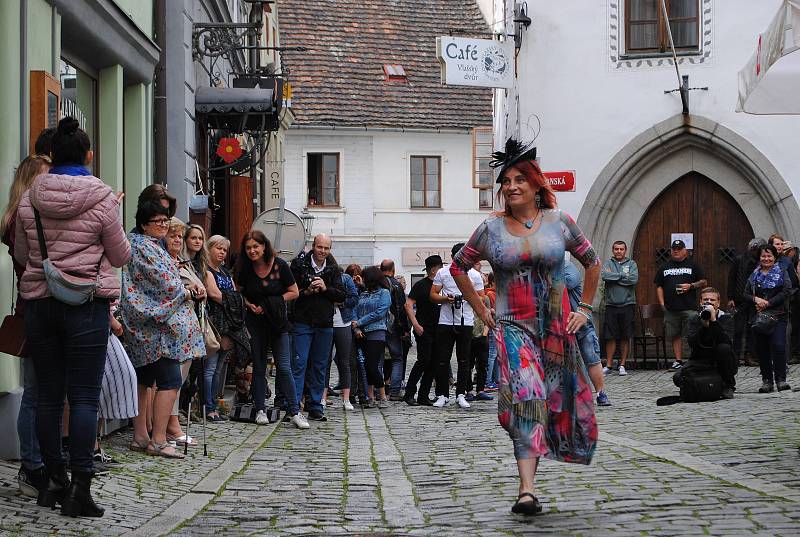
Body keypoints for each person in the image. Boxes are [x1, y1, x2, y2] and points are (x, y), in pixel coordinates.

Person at [450, 137, 600, 516]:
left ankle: (529, 473)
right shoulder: (490, 229)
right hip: (513, 328)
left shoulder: (560, 222)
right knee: (527, 398)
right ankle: (527, 490)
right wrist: (479, 306)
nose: (512, 186)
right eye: (506, 181)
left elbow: (592, 261)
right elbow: (458, 267)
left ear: (536, 184)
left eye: (520, 179)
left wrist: (584, 307)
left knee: (550, 401)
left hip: (555, 328)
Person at [14, 117, 131, 517]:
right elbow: (120, 256)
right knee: (83, 398)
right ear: (89, 156)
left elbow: (21, 253)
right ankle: (80, 488)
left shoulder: (30, 197)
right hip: (87, 305)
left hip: (41, 304)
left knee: (48, 397)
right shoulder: (101, 200)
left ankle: (51, 483)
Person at [121, 199, 205, 461]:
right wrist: (187, 291)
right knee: (169, 381)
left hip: (149, 325)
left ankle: (141, 436)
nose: (163, 225)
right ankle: (157, 440)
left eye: (166, 220)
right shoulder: (144, 246)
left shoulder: (144, 244)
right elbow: (165, 284)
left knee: (145, 379)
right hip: (159, 328)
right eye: (159, 221)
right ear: (144, 224)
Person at [1, 153, 51, 497]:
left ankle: (37, 463)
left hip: (32, 304)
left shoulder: (19, 215)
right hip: (34, 306)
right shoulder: (22, 217)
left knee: (40, 391)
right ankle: (31, 465)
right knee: (35, 392)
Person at [234, 230, 307, 428]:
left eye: (255, 247)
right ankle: (260, 410)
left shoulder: (280, 266)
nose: (252, 251)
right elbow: (238, 292)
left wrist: (272, 303)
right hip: (255, 323)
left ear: (264, 246)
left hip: (277, 322)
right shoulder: (245, 268)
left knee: (284, 367)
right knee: (259, 367)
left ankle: (294, 411)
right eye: (248, 248)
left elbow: (294, 292)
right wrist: (249, 304)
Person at [289, 234, 346, 422]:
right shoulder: (299, 265)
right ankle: (294, 406)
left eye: (326, 248)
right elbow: (291, 291)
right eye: (320, 247)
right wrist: (307, 290)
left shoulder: (333, 269)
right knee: (299, 364)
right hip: (303, 321)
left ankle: (315, 405)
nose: (323, 251)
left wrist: (325, 288)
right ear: (313, 246)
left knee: (320, 366)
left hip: (324, 324)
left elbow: (341, 295)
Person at [429, 243, 485, 409]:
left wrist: (467, 297)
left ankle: (461, 393)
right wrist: (447, 299)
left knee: (464, 359)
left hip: (465, 320)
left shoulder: (474, 275)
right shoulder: (443, 272)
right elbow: (433, 294)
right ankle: (442, 394)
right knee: (442, 359)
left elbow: (482, 297)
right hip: (446, 320)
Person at [205, 234, 250, 418]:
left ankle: (214, 404)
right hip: (215, 324)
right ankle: (208, 405)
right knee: (210, 366)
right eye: (219, 248)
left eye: (225, 250)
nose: (222, 253)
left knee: (220, 367)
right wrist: (233, 299)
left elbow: (232, 294)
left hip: (228, 325)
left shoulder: (223, 272)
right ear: (210, 248)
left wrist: (232, 299)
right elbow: (216, 295)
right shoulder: (207, 271)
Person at [743, 244, 792, 393]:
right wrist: (756, 300)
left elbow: (787, 291)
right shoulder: (754, 275)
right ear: (759, 258)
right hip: (760, 318)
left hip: (778, 315)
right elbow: (745, 294)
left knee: (778, 346)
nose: (766, 258)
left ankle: (781, 379)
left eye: (769, 255)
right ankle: (767, 381)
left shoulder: (782, 272)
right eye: (763, 256)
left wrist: (769, 303)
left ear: (774, 257)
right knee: (762, 350)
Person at [673, 287, 737, 399]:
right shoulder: (694, 318)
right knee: (677, 378)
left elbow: (727, 341)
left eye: (712, 300)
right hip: (700, 358)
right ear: (700, 302)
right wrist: (704, 325)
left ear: (718, 302)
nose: (709, 302)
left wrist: (713, 321)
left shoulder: (726, 318)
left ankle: (728, 385)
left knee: (724, 348)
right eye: (705, 299)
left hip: (721, 359)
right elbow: (692, 343)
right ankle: (710, 381)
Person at [655, 239, 707, 370]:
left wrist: (691, 286)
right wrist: (662, 304)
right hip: (671, 308)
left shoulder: (693, 265)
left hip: (689, 307)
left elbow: (704, 282)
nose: (676, 251)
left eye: (679, 249)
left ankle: (694, 359)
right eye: (674, 249)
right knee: (675, 335)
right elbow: (659, 286)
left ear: (685, 251)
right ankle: (678, 360)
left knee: (693, 333)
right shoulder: (664, 266)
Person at [565, 261, 611, 406]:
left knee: (591, 357)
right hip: (560, 324)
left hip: (581, 323)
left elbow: (567, 282)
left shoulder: (568, 267)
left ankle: (600, 393)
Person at [404, 255, 443, 406]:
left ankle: (423, 396)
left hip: (438, 329)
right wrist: (416, 324)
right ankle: (409, 393)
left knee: (433, 363)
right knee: (423, 361)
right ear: (434, 270)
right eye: (440, 268)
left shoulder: (441, 285)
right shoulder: (421, 285)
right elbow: (408, 305)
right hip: (424, 329)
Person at [352, 266, 392, 408]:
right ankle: (370, 396)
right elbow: (355, 309)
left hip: (376, 331)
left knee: (373, 365)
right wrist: (356, 327)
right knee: (365, 365)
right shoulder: (363, 293)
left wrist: (360, 322)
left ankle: (382, 395)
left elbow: (380, 312)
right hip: (361, 333)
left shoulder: (384, 293)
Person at [600, 240, 638, 375]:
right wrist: (623, 276)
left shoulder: (632, 264)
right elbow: (605, 276)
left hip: (627, 304)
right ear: (613, 250)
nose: (619, 251)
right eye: (616, 249)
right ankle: (609, 366)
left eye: (621, 249)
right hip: (611, 305)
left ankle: (622, 365)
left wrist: (614, 277)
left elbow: (633, 279)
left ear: (625, 250)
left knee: (625, 335)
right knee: (610, 336)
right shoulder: (607, 264)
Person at [727, 238, 766, 364]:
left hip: (755, 300)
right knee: (738, 330)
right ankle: (735, 357)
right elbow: (732, 278)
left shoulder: (761, 262)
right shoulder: (739, 259)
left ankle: (750, 356)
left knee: (752, 329)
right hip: (740, 299)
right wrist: (730, 298)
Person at [328, 269, 359, 410]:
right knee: (324, 362)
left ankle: (346, 399)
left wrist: (340, 302)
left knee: (344, 361)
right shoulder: (322, 278)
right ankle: (322, 398)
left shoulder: (345, 278)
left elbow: (354, 298)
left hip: (343, 322)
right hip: (325, 321)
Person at [380, 259, 410, 400]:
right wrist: (405, 328)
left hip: (377, 325)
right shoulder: (397, 285)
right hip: (393, 327)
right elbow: (401, 309)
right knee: (397, 358)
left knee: (378, 358)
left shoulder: (376, 283)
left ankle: (377, 391)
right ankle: (395, 391)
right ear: (393, 270)